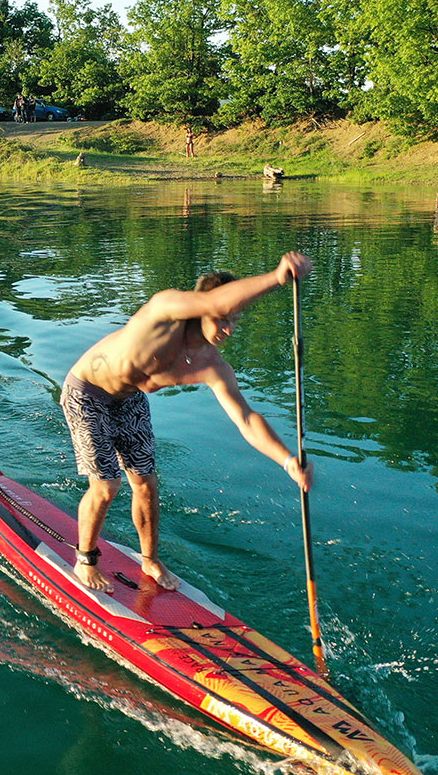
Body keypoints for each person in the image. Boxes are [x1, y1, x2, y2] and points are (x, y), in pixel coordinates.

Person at [60, 252, 315, 593]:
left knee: (146, 485)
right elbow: (215, 299)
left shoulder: (212, 365)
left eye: (235, 320)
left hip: (130, 397)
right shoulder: (165, 310)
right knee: (107, 486)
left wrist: (288, 461)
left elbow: (246, 418)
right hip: (87, 392)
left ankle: (149, 560)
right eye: (222, 318)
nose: (228, 328)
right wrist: (276, 277)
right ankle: (86, 559)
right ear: (202, 308)